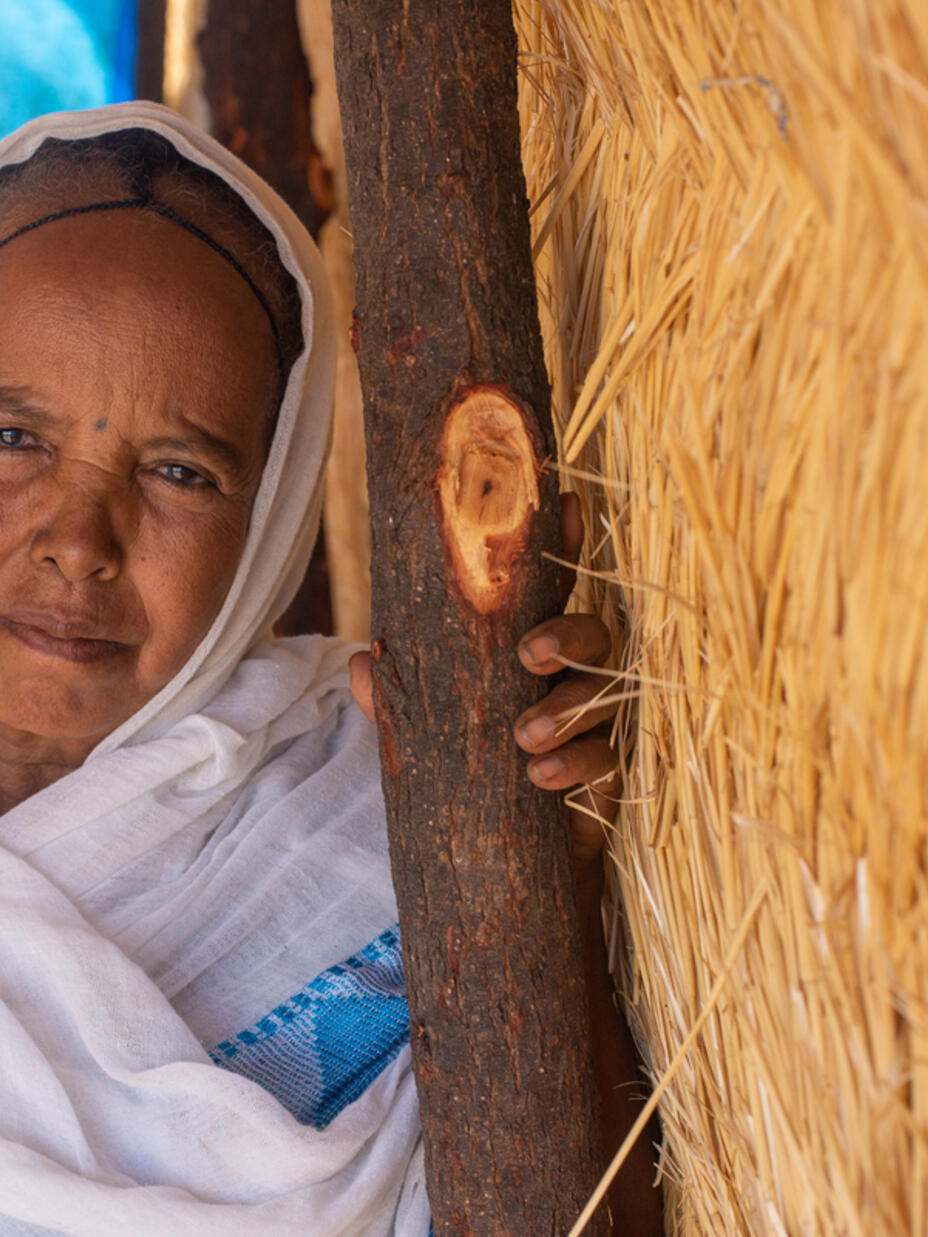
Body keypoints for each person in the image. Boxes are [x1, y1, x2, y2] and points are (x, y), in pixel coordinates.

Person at [0, 103, 660, 1235]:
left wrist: (538, 876)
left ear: (268, 518)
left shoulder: (394, 777)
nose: (78, 538)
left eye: (178, 471)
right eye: (11, 437)